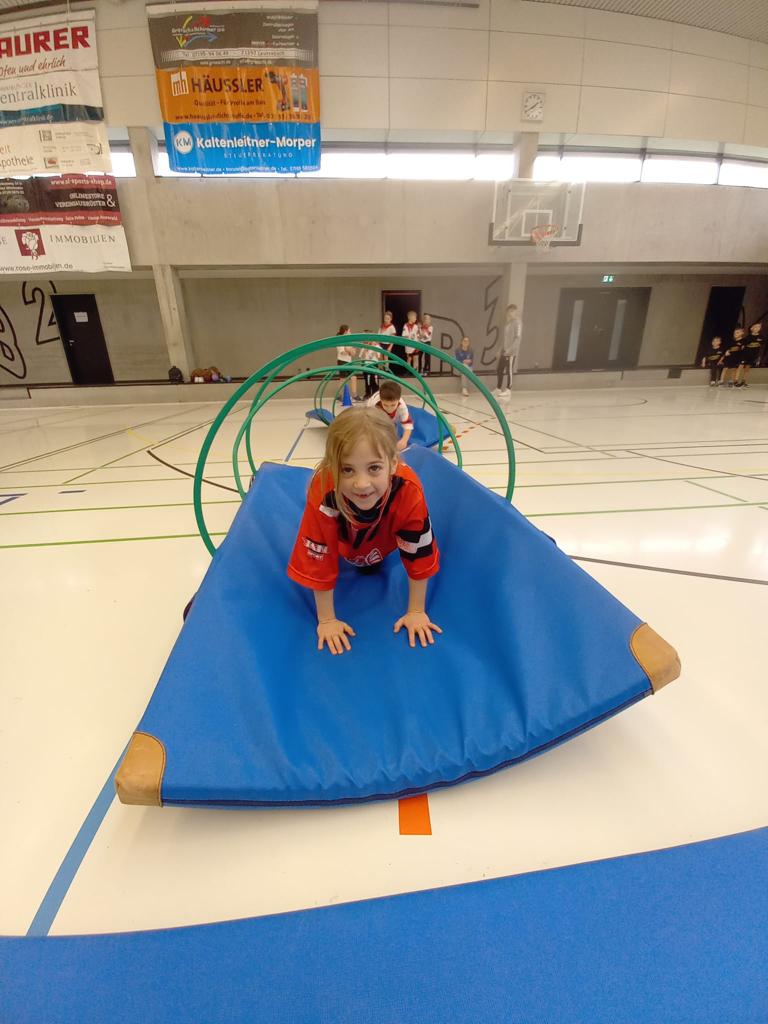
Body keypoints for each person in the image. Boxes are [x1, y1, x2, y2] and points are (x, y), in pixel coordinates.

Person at [287, 406, 441, 655]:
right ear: (333, 467)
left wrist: (416, 610)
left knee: (371, 562)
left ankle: (368, 555)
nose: (361, 483)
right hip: (346, 540)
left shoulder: (407, 490)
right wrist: (327, 619)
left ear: (393, 464)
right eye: (347, 469)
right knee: (346, 548)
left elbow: (419, 552)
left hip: (382, 540)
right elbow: (318, 554)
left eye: (374, 468)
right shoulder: (324, 489)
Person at [367, 379, 413, 452]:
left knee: (392, 432)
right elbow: (369, 423)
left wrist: (404, 440)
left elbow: (408, 424)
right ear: (380, 400)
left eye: (393, 405)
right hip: (376, 415)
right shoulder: (373, 405)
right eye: (385, 405)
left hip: (392, 419)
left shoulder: (402, 407)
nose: (389, 409)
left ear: (398, 400)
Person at [495, 304, 522, 397]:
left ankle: (508, 389)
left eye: (512, 311)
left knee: (509, 370)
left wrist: (510, 350)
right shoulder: (508, 323)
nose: (510, 313)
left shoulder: (518, 323)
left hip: (511, 353)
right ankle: (498, 388)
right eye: (509, 311)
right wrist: (500, 350)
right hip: (504, 351)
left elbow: (517, 339)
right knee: (499, 369)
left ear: (515, 312)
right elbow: (504, 339)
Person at [736, 323, 763, 387]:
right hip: (745, 355)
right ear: (751, 328)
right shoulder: (747, 337)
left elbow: (761, 346)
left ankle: (743, 381)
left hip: (753, 355)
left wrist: (758, 356)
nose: (757, 328)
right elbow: (742, 346)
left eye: (759, 327)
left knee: (747, 368)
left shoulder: (761, 337)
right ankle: (736, 381)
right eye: (755, 327)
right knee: (740, 366)